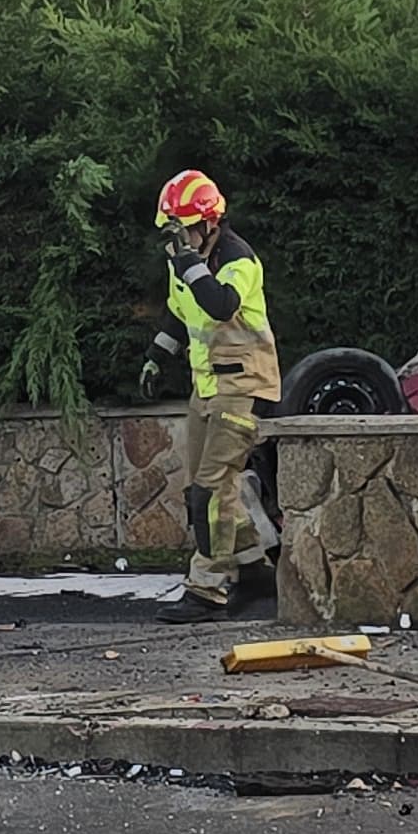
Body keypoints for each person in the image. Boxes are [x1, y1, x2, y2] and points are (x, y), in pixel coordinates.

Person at [138, 169, 280, 625]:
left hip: (243, 388)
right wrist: (156, 358)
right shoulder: (184, 261)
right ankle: (254, 567)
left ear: (208, 224)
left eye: (183, 227)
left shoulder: (239, 260)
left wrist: (190, 267)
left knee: (212, 492)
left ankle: (207, 589)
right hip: (208, 389)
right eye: (171, 228)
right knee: (199, 490)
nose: (175, 237)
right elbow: (181, 316)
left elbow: (220, 304)